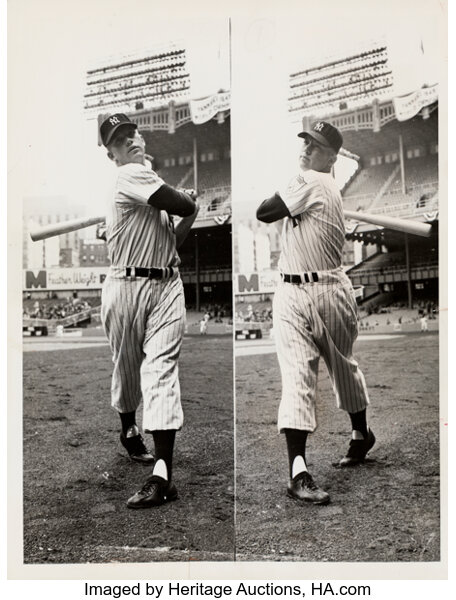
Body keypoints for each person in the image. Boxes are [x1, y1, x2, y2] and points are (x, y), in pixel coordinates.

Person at [256, 121, 374, 506]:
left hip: (328, 288)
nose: (307, 148)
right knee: (296, 378)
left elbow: (264, 210)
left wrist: (290, 190)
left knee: (344, 368)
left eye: (316, 145)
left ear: (332, 156)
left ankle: (361, 435)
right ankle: (298, 472)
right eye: (306, 141)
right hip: (290, 291)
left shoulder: (313, 181)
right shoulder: (319, 185)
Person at [99, 113, 199, 509]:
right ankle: (128, 430)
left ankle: (162, 475)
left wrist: (189, 212)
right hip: (124, 286)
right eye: (121, 139)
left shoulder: (145, 183)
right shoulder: (130, 176)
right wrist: (187, 200)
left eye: (133, 133)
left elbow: (173, 240)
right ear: (111, 153)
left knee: (159, 373)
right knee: (126, 370)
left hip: (166, 285)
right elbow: (177, 199)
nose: (131, 140)